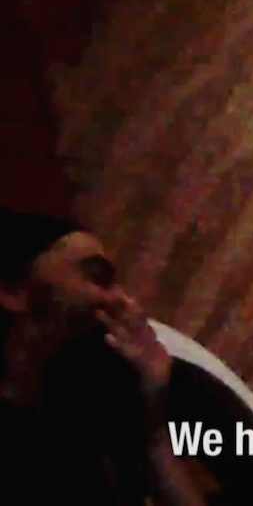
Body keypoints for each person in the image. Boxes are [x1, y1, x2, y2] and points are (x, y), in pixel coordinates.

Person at [0, 208, 207, 506]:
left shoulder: (84, 426)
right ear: (14, 289)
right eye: (98, 276)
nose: (123, 300)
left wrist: (153, 432)